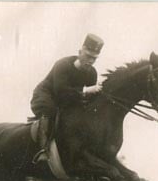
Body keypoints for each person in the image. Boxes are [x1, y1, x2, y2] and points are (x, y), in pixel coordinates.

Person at [30, 33, 104, 163]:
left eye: (94, 58)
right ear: (80, 52)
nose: (91, 61)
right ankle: (43, 151)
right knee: (50, 110)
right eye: (88, 56)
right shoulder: (62, 65)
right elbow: (61, 92)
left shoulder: (92, 73)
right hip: (45, 96)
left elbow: (88, 99)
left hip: (67, 101)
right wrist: (87, 90)